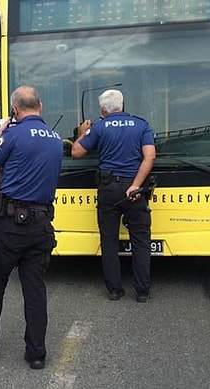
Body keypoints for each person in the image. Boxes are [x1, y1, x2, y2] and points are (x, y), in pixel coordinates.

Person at [0, 86, 62, 370]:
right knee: (35, 290)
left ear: (15, 110)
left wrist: (5, 134)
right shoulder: (55, 139)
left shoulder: (14, 135)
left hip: (9, 226)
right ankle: (36, 353)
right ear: (40, 106)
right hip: (42, 224)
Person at [72, 89, 156, 303]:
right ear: (123, 105)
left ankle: (114, 290)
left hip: (108, 189)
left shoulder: (99, 127)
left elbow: (76, 152)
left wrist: (83, 132)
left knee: (109, 241)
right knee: (140, 240)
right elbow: (149, 157)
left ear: (103, 110)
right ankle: (142, 292)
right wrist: (136, 185)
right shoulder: (141, 125)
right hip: (134, 190)